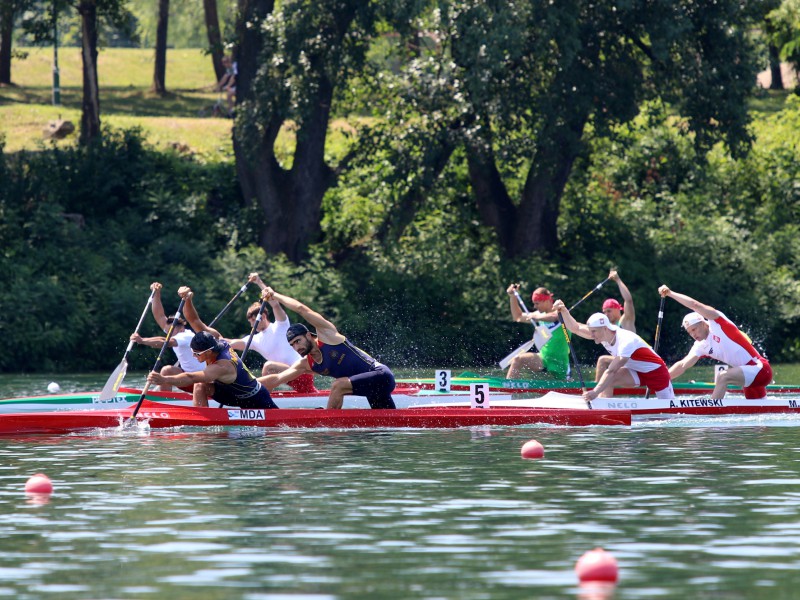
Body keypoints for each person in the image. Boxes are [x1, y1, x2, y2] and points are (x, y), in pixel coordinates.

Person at [257, 287, 396, 409]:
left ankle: (328, 427)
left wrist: (275, 295)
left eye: (298, 341)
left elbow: (301, 309)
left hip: (382, 376)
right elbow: (277, 379)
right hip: (371, 389)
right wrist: (245, 384)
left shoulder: (328, 336)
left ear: (308, 335)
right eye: (292, 344)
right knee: (385, 427)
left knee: (338, 385)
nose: (296, 347)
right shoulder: (306, 364)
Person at [147, 286, 280, 409]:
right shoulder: (216, 338)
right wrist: (188, 299)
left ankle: (204, 421)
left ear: (209, 351)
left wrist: (164, 379)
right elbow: (194, 321)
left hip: (254, 398)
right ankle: (201, 422)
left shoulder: (221, 366)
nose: (194, 356)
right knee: (200, 386)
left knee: (198, 381)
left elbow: (191, 377)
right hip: (231, 393)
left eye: (197, 354)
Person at [658, 286, 773, 399]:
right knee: (756, 413)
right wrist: (660, 379)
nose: (693, 334)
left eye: (694, 329)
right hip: (747, 377)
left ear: (703, 323)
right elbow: (682, 365)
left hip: (761, 369)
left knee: (723, 376)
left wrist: (670, 293)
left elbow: (695, 305)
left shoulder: (717, 323)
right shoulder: (700, 346)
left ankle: (711, 410)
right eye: (689, 332)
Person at [554, 300, 674, 401]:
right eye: (591, 331)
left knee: (669, 414)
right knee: (609, 380)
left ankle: (599, 400)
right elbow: (576, 328)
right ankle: (603, 407)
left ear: (605, 328)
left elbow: (611, 370)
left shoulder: (626, 340)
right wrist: (564, 310)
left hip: (657, 373)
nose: (591, 335)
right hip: (637, 371)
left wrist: (595, 392)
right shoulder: (602, 334)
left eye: (594, 331)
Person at [227, 273, 318, 393]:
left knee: (269, 366)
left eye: (253, 321)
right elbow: (231, 343)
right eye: (250, 322)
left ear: (263, 316)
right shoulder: (254, 339)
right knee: (261, 374)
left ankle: (263, 399)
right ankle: (263, 397)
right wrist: (209, 338)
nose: (251, 325)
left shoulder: (281, 326)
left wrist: (258, 281)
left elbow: (274, 304)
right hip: (289, 377)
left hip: (302, 372)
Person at [130, 282, 205, 392]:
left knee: (165, 370)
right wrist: (156, 293)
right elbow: (159, 315)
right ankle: (165, 398)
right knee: (168, 370)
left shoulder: (186, 336)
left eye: (170, 330)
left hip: (201, 380)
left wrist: (142, 340)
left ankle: (165, 399)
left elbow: (165, 342)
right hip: (186, 376)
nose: (168, 331)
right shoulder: (174, 331)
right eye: (167, 329)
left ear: (180, 328)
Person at [504, 284, 570, 380]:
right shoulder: (538, 314)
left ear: (547, 301)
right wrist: (512, 297)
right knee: (517, 359)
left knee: (565, 386)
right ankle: (508, 389)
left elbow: (555, 317)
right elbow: (517, 317)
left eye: (537, 303)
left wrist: (537, 317)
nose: (535, 306)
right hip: (544, 358)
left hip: (560, 361)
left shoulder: (561, 312)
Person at [595, 270, 637, 382]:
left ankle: (594, 390)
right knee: (607, 369)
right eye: (604, 312)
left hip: (634, 360)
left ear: (618, 309)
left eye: (609, 311)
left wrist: (618, 280)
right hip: (623, 362)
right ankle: (601, 395)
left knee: (603, 360)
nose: (606, 314)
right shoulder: (607, 328)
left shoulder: (625, 321)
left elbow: (628, 300)